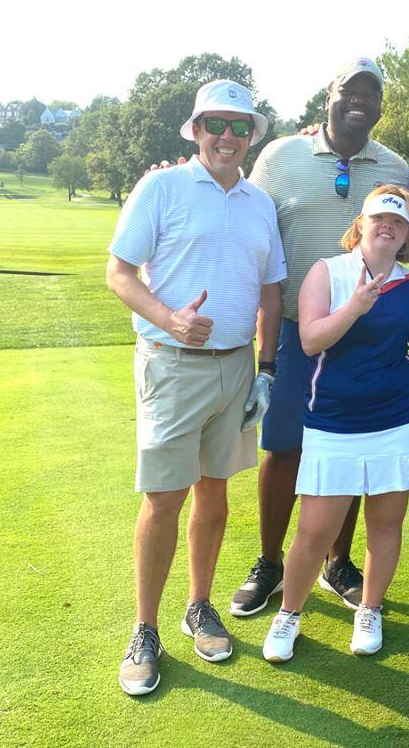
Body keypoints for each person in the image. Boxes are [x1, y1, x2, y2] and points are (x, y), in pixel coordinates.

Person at [107, 80, 285, 696]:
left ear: (252, 135)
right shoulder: (161, 186)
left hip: (237, 367)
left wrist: (266, 369)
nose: (227, 137)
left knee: (214, 493)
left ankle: (199, 605)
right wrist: (171, 319)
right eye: (216, 124)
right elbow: (120, 273)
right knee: (164, 498)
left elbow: (270, 289)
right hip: (173, 362)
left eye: (240, 127)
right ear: (195, 128)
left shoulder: (260, 202)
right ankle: (145, 629)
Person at [229, 58, 409, 619]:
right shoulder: (282, 155)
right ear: (326, 98)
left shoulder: (393, 165)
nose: (360, 100)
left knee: (352, 449)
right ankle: (269, 562)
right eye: (348, 90)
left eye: (371, 94)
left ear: (381, 106)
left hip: (363, 332)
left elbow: (404, 233)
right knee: (284, 447)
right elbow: (245, 214)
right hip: (291, 328)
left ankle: (338, 561)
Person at [261, 186, 409, 661]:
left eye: (398, 224)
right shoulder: (328, 271)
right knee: (315, 531)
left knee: (385, 523)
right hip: (333, 419)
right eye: (380, 218)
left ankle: (370, 609)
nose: (387, 227)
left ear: (406, 236)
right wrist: (355, 306)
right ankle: (288, 615)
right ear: (361, 223)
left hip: (396, 418)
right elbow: (312, 340)